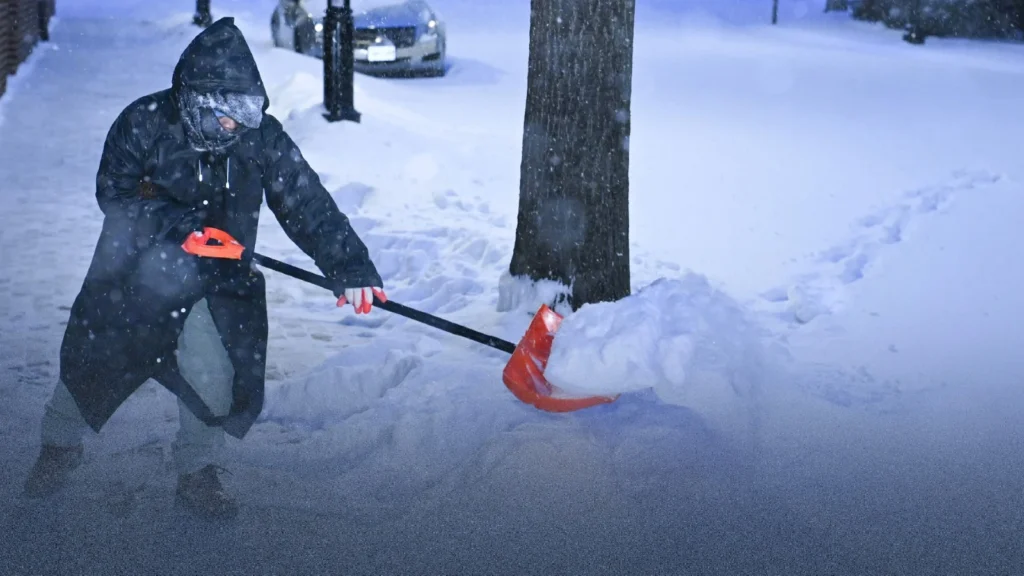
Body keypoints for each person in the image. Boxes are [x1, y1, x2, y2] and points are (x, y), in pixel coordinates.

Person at [21, 17, 385, 520]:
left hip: (217, 280)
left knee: (214, 373)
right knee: (90, 361)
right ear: (196, 101)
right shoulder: (143, 122)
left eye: (243, 116)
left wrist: (351, 266)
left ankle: (198, 471)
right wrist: (180, 227)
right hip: (133, 274)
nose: (235, 127)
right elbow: (114, 193)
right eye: (225, 117)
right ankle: (58, 446)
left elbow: (307, 202)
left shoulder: (259, 137)